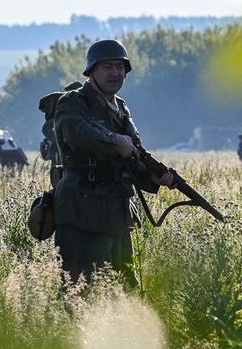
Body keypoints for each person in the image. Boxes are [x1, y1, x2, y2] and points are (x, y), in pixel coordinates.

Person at [52, 39, 173, 286]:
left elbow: (134, 153)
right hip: (81, 212)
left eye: (120, 67)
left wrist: (155, 175)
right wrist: (114, 140)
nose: (115, 73)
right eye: (108, 66)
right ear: (91, 70)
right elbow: (76, 134)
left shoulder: (120, 107)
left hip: (117, 213)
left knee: (125, 289)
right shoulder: (72, 102)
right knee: (80, 291)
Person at [38, 81, 82, 187]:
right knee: (58, 180)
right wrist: (60, 139)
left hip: (78, 153)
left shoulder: (84, 109)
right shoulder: (63, 108)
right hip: (60, 151)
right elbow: (46, 128)